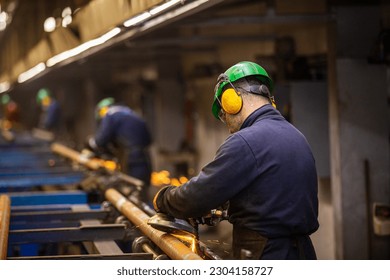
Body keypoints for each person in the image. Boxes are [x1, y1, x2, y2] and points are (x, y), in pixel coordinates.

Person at [152, 61, 319, 260]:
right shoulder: (296, 136)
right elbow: (273, 194)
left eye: (223, 114)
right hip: (302, 253)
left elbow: (197, 196)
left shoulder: (245, 141)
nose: (228, 125)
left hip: (265, 253)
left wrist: (164, 198)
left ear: (231, 99)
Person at [87, 97, 153, 202]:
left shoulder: (110, 115)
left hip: (131, 157)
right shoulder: (129, 112)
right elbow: (149, 139)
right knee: (142, 189)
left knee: (132, 190)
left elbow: (101, 140)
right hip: (145, 156)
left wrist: (91, 144)